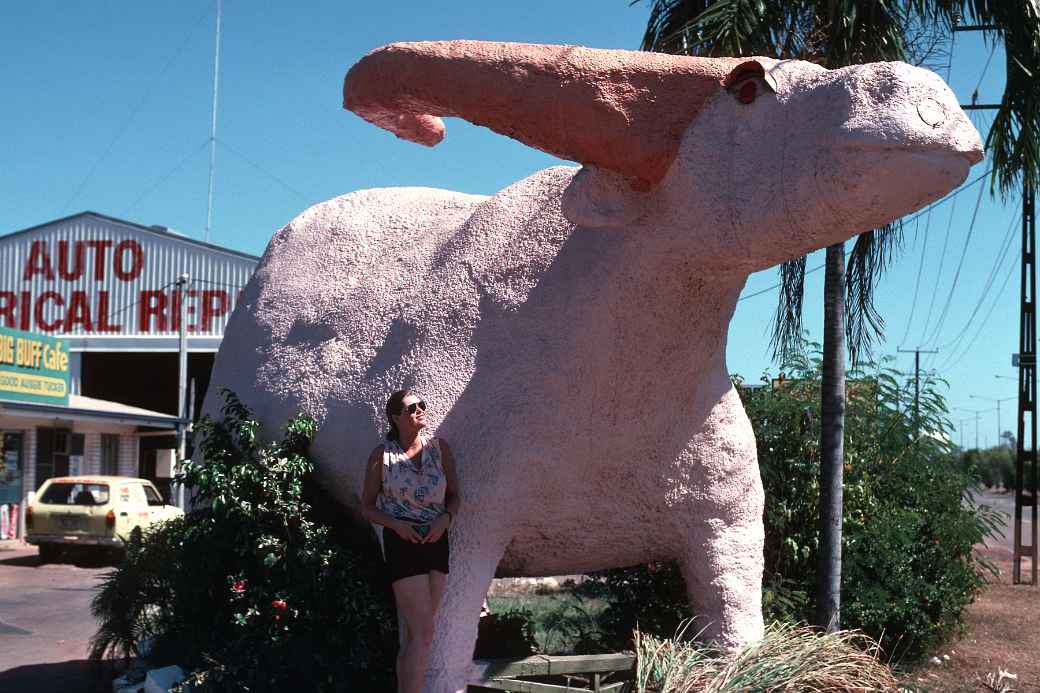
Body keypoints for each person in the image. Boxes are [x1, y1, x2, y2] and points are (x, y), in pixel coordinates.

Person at [361, 389, 461, 693]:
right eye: (411, 408)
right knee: (422, 632)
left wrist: (445, 520)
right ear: (395, 418)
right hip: (403, 544)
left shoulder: (439, 449)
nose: (419, 410)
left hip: (436, 541)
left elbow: (455, 497)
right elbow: (367, 506)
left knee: (419, 634)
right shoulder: (383, 455)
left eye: (422, 405)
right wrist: (396, 526)